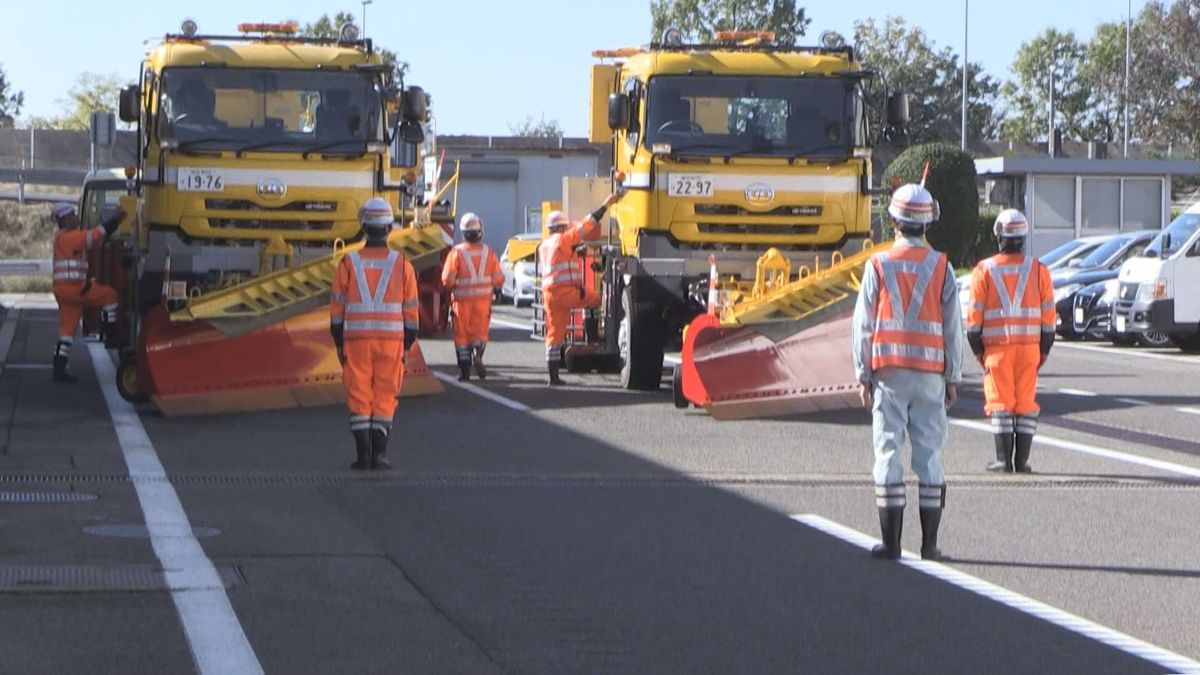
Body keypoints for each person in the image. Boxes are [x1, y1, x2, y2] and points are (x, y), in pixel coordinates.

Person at [852, 183, 963, 561]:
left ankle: (891, 543)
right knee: (930, 456)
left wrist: (862, 373)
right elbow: (952, 329)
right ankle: (930, 545)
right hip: (930, 374)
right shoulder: (941, 267)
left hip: (889, 375)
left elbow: (863, 325)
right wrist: (953, 377)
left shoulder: (878, 264)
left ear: (894, 220)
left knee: (887, 452)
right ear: (929, 222)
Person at [330, 198, 419, 470]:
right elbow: (412, 311)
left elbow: (336, 309)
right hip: (391, 343)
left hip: (356, 342)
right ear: (390, 227)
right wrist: (407, 343)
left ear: (364, 227)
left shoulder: (348, 263)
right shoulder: (402, 265)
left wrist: (338, 341)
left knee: (359, 395)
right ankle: (379, 455)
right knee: (385, 395)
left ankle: (362, 455)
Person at [966, 209, 1055, 473]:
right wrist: (1043, 351)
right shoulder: (1039, 270)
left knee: (1001, 403)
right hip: (1030, 350)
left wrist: (979, 353)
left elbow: (973, 324)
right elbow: (1049, 320)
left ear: (999, 236)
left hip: (997, 351)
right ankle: (1022, 461)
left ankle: (1003, 460)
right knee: (1025, 402)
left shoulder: (984, 270)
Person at [538, 191, 624, 385]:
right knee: (595, 300)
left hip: (550, 295)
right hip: (567, 292)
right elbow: (587, 225)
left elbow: (562, 258)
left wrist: (577, 251)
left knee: (554, 333)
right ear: (561, 227)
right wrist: (606, 203)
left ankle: (553, 376)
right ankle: (594, 337)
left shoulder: (545, 245)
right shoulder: (563, 239)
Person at [50, 203, 123, 383]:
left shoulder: (62, 238)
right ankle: (111, 333)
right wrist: (113, 220)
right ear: (66, 219)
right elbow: (93, 236)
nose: (76, 217)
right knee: (110, 295)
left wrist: (111, 224)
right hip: (75, 289)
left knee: (67, 331)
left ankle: (59, 368)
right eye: (73, 215)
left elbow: (94, 239)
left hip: (66, 290)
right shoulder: (70, 238)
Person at [441, 212, 504, 381]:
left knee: (461, 338)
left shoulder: (456, 252)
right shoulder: (488, 252)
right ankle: (478, 355)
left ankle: (464, 373)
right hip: (483, 302)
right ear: (479, 231)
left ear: (463, 232)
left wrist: (453, 286)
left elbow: (447, 280)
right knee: (480, 334)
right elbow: (498, 278)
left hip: (461, 303)